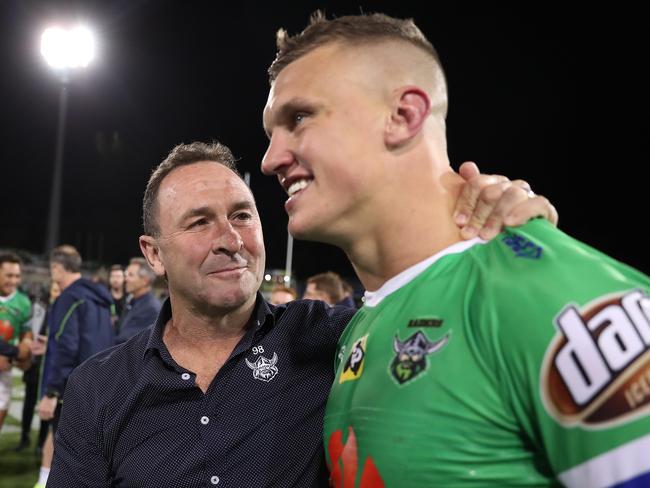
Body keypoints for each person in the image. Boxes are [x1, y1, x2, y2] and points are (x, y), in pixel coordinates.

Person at [261, 12, 650, 487]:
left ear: (404, 116)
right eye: (271, 134)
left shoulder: (557, 294)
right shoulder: (358, 325)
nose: (269, 159)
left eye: (299, 118)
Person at [47, 141, 555, 487]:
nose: (230, 240)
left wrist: (513, 237)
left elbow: (471, 324)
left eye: (242, 216)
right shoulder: (100, 387)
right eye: (200, 222)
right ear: (153, 253)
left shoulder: (335, 339)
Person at [33, 245, 115, 488]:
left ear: (58, 268)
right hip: (100, 383)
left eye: (52, 269)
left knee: (68, 457)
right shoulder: (101, 296)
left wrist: (51, 393)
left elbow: (66, 348)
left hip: (72, 388)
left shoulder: (68, 298)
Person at [0, 252, 32, 434]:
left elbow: (26, 333)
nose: (13, 281)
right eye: (8, 275)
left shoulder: (23, 302)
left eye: (17, 276)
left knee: (2, 402)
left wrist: (25, 348)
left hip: (5, 367)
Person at [115, 257, 161, 344]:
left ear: (145, 281)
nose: (126, 279)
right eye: (126, 275)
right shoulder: (133, 301)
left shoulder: (150, 308)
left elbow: (127, 341)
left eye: (131, 275)